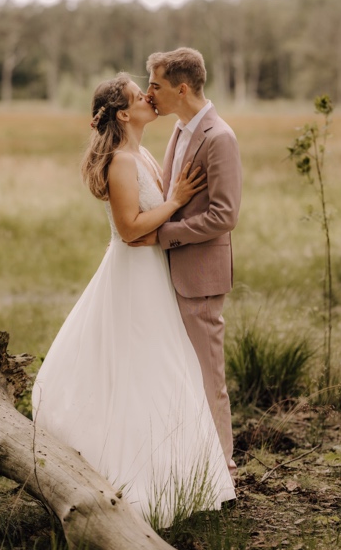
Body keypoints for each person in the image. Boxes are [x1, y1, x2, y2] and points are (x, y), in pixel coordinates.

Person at [31, 72, 236, 527]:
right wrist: (178, 198)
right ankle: (140, 473)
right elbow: (128, 228)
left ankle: (182, 470)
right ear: (124, 114)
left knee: (162, 367)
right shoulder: (122, 161)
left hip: (153, 273)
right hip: (134, 275)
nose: (148, 98)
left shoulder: (141, 152)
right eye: (138, 96)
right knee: (143, 368)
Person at [132, 47, 243, 478]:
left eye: (155, 85)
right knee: (177, 372)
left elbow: (225, 216)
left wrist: (163, 236)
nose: (149, 93)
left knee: (208, 375)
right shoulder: (179, 131)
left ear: (181, 88)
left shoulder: (220, 138)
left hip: (200, 276)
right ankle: (188, 462)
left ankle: (224, 468)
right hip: (170, 274)